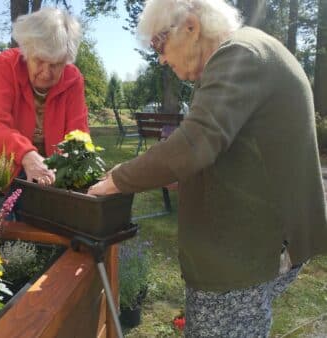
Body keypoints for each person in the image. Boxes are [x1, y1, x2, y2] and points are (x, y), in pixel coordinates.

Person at [88, 0, 327, 336]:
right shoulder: (239, 56)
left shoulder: (239, 55)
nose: (160, 58)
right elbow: (230, 147)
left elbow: (193, 144)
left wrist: (118, 179)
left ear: (191, 26)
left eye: (159, 43)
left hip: (244, 256)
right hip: (247, 249)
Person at [0, 7, 88, 186]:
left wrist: (66, 160)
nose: (46, 73)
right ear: (26, 52)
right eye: (39, 61)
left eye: (56, 65)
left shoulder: (73, 79)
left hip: (49, 178)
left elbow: (79, 134)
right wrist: (26, 154)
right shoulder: (5, 66)